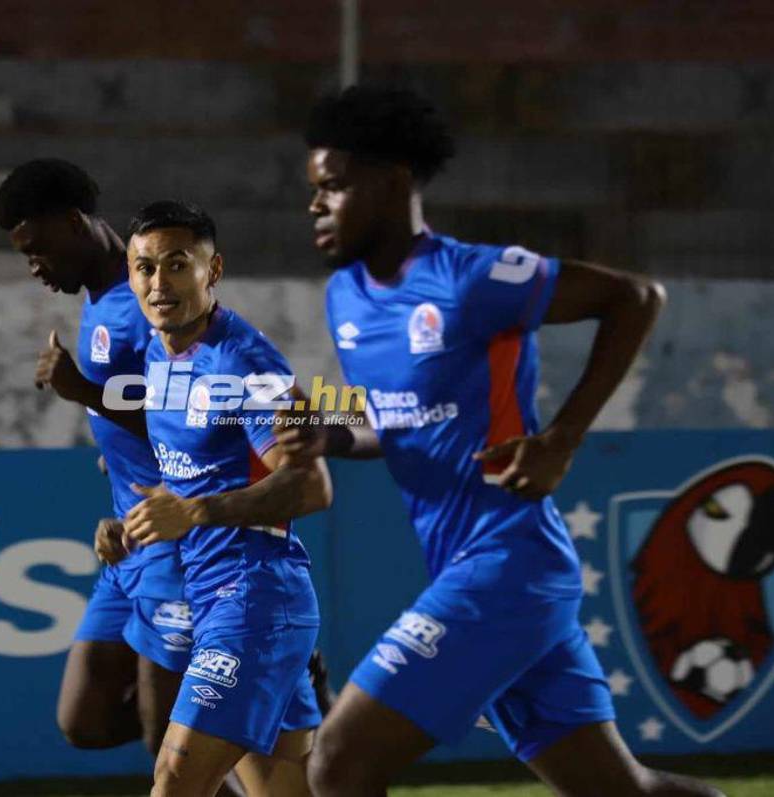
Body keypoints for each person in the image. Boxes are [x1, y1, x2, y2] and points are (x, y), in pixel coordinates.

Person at [278, 86, 724, 797]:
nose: (315, 205)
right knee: (626, 792)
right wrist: (329, 434)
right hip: (480, 571)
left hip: (507, 566)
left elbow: (636, 296)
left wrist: (561, 438)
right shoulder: (347, 296)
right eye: (314, 189)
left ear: (393, 181)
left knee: (338, 760)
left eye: (333, 185)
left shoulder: (473, 277)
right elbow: (393, 422)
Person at [97, 200, 329, 796]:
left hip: (254, 598)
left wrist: (195, 513)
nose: (159, 283)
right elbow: (197, 474)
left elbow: (310, 484)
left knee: (175, 778)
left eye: (177, 264)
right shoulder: (156, 353)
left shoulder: (244, 361)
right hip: (213, 597)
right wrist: (137, 520)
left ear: (213, 269)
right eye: (145, 267)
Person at [0, 159, 190, 760]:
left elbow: (195, 419)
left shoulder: (156, 298)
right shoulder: (101, 299)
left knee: (170, 747)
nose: (35, 266)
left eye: (38, 248)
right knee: (86, 720)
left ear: (75, 223)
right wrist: (118, 456)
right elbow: (140, 413)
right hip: (130, 540)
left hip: (179, 540)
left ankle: (269, 701)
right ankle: (271, 699)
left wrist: (83, 391)